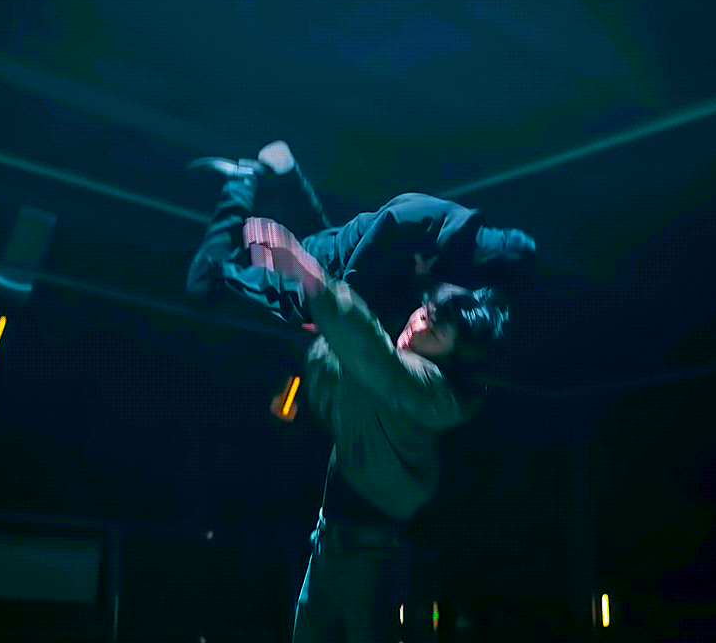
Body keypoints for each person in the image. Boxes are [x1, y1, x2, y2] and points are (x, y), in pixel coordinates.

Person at [243, 216, 507, 643]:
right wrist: (325, 321)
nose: (418, 323)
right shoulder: (399, 370)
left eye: (435, 329)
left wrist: (305, 271)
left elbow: (372, 357)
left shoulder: (430, 390)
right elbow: (355, 359)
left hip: (371, 556)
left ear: (451, 357)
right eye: (425, 312)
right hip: (332, 541)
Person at [185, 141, 534, 338]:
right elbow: (374, 249)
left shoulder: (451, 248)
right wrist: (338, 314)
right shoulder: (434, 224)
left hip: (335, 260)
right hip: (324, 271)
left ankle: (289, 176)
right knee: (203, 286)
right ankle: (243, 180)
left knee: (321, 241)